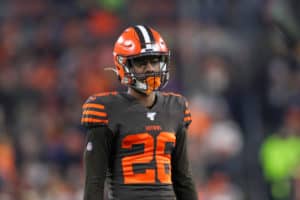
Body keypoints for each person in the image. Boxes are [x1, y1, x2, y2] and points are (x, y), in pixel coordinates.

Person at [81, 25, 198, 200]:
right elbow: (94, 182)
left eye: (154, 61)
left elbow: (183, 179)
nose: (150, 68)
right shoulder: (106, 109)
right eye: (141, 63)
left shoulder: (176, 107)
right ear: (124, 65)